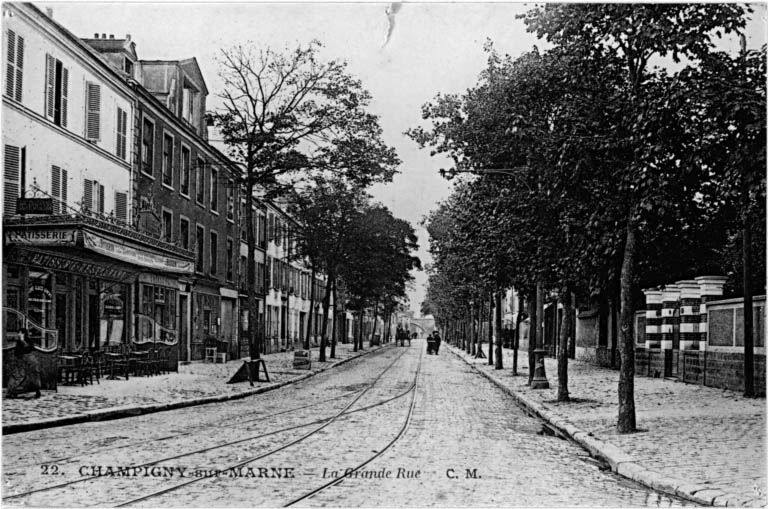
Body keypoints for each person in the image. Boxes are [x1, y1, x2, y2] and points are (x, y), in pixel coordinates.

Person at [7, 328, 42, 399]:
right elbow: (17, 352)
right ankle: (14, 391)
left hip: (28, 361)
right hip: (21, 361)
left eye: (19, 333)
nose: (18, 334)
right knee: (18, 376)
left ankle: (34, 390)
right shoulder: (18, 342)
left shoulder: (28, 341)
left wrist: (23, 341)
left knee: (29, 376)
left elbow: (29, 349)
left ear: (23, 333)